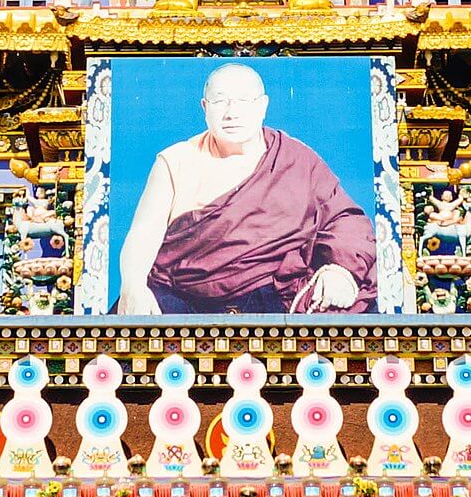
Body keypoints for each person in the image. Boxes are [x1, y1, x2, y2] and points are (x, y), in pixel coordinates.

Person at [115, 63, 375, 313]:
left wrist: (339, 271)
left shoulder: (294, 158)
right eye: (220, 101)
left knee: (351, 304)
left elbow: (344, 219)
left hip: (273, 293)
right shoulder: (175, 160)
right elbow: (143, 233)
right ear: (205, 107)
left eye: (243, 101)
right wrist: (133, 286)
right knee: (129, 326)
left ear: (263, 106)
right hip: (185, 298)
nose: (231, 112)